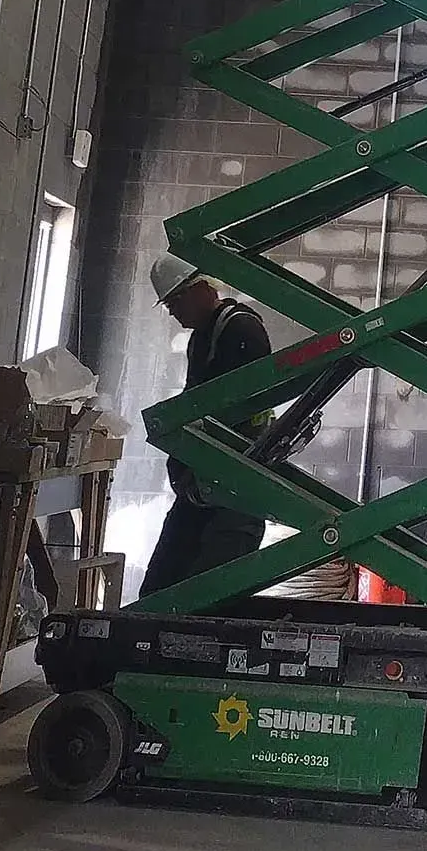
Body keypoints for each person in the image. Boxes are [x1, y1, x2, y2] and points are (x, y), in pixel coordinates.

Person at [140, 254, 272, 599]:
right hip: (206, 481)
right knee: (162, 587)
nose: (172, 312)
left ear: (200, 288)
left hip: (232, 485)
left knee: (206, 593)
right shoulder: (204, 336)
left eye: (175, 301)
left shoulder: (240, 329)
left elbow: (239, 411)